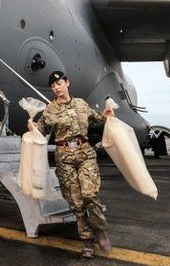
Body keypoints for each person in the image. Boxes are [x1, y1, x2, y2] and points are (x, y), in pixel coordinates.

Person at [29, 71, 114, 259]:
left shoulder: (81, 104)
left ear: (67, 82)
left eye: (59, 83)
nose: (56, 87)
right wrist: (33, 126)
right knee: (76, 203)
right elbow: (41, 129)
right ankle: (87, 241)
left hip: (85, 154)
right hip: (64, 157)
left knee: (90, 194)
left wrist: (105, 114)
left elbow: (94, 118)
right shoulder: (50, 109)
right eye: (53, 86)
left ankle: (99, 229)